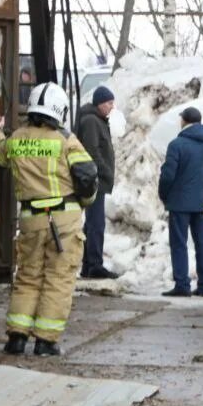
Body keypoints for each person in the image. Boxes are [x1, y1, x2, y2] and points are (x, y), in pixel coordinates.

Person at [0, 83, 98, 357]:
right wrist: (86, 202)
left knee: (28, 276)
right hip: (64, 220)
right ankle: (45, 342)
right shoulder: (65, 140)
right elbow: (88, 175)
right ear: (59, 110)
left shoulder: (17, 139)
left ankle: (16, 338)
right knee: (58, 278)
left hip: (31, 220)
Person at [159, 106, 203, 297]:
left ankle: (182, 285)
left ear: (184, 121)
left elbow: (168, 175)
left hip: (180, 203)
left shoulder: (177, 145)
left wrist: (164, 194)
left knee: (179, 243)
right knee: (202, 243)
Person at [75, 85, 118, 279]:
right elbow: (92, 152)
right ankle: (94, 264)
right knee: (96, 224)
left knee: (92, 223)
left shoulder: (97, 119)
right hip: (94, 180)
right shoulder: (92, 121)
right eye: (109, 103)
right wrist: (106, 171)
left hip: (96, 179)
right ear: (100, 103)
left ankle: (88, 264)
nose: (112, 107)